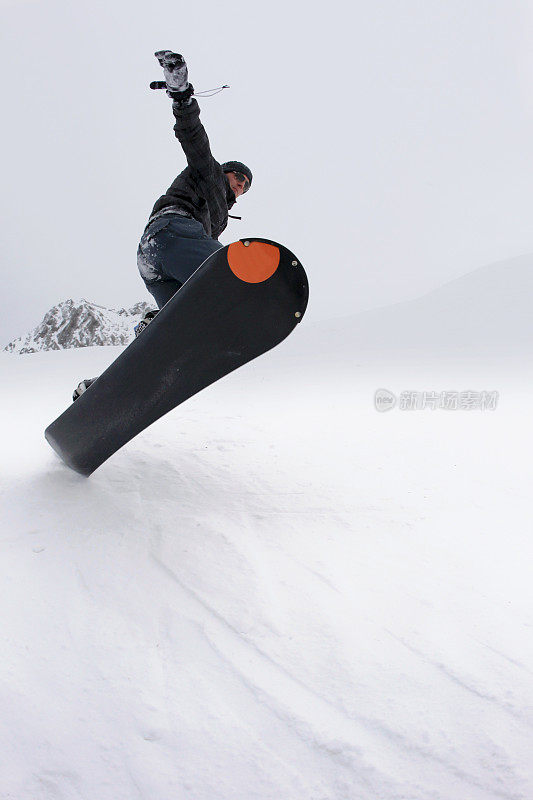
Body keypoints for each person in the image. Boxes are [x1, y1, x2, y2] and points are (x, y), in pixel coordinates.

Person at [73, 50, 253, 400]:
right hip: (173, 233)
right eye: (238, 177)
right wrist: (182, 96)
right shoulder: (209, 173)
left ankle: (103, 390)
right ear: (225, 172)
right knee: (229, 278)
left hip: (152, 258)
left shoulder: (217, 214)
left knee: (177, 330)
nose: (239, 186)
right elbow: (194, 140)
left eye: (245, 186)